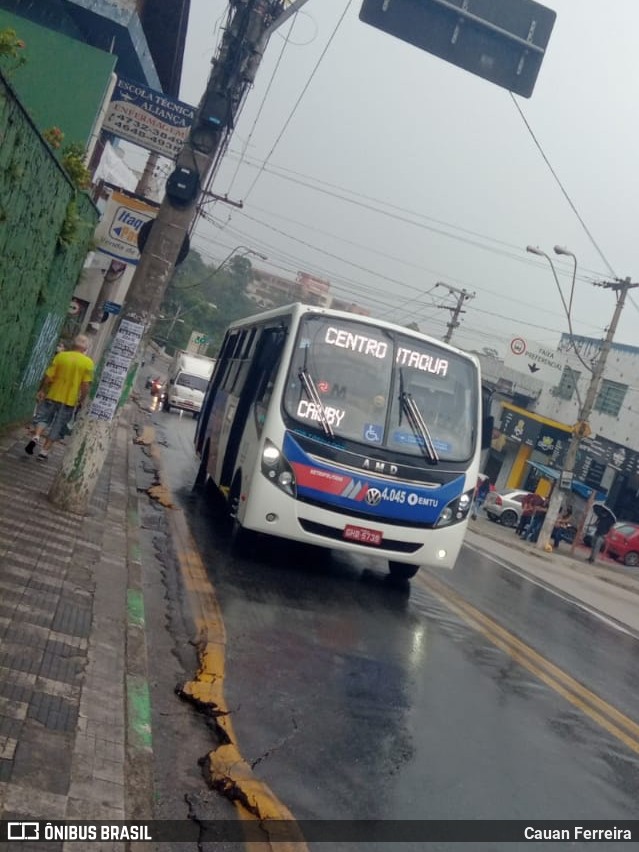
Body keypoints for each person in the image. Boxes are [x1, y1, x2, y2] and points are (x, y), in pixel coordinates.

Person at [25, 334, 94, 461]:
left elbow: (48, 376)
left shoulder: (61, 356)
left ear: (73, 344)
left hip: (53, 394)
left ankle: (36, 436)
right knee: (58, 425)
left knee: (43, 418)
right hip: (69, 400)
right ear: (86, 348)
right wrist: (82, 399)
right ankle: (44, 452)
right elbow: (85, 385)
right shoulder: (88, 363)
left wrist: (42, 390)